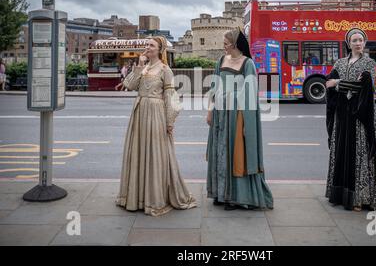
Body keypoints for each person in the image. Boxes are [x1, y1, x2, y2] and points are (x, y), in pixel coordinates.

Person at [325, 28, 376, 212]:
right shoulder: (339, 62)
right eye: (354, 40)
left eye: (360, 40)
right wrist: (343, 84)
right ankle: (340, 195)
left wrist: (339, 83)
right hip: (342, 116)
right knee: (341, 152)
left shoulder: (369, 63)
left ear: (364, 42)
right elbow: (327, 83)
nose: (357, 43)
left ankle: (359, 198)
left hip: (359, 117)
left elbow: (363, 87)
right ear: (348, 43)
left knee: (359, 154)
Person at [116, 36, 197, 216]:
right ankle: (136, 197)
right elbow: (129, 85)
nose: (147, 47)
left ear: (160, 49)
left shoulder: (165, 70)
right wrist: (138, 65)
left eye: (151, 45)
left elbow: (170, 97)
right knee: (138, 152)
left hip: (155, 114)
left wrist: (169, 122)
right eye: (147, 45)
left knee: (155, 154)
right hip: (139, 113)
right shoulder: (143, 67)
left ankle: (154, 198)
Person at [206, 28, 273, 211]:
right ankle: (221, 193)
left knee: (235, 153)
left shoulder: (248, 63)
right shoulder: (221, 60)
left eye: (226, 43)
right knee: (220, 151)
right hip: (221, 113)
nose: (224, 47)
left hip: (237, 114)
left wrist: (246, 123)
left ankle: (236, 197)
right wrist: (210, 110)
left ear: (235, 44)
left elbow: (250, 94)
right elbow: (215, 86)